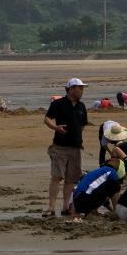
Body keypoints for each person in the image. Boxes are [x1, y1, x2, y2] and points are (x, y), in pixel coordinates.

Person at [43, 77, 89, 218]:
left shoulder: (81, 106)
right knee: (57, 177)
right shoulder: (58, 104)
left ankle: (65, 206)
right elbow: (47, 119)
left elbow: (82, 125)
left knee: (71, 179)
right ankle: (51, 207)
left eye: (82, 88)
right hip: (60, 147)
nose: (81, 91)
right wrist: (56, 127)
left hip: (76, 147)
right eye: (79, 88)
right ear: (70, 89)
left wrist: (77, 137)